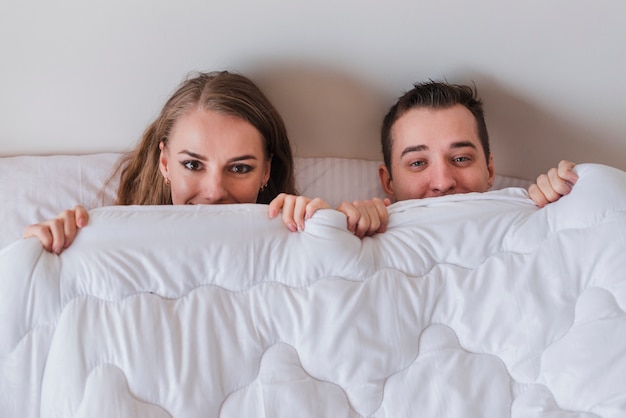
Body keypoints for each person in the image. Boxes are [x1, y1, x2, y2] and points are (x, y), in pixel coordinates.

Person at [24, 70, 330, 254]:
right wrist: (41, 248)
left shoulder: (301, 240)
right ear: (166, 164)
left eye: (239, 168)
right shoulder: (109, 241)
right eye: (193, 165)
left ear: (266, 172)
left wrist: (328, 231)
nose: (214, 192)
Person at [338, 81, 578, 238]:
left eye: (461, 158)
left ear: (490, 169)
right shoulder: (363, 240)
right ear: (388, 182)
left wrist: (571, 200)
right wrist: (342, 231)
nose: (443, 182)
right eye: (418, 163)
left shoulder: (533, 225)